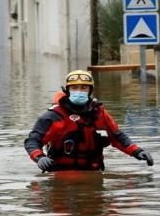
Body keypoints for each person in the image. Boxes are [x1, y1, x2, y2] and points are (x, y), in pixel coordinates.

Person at [24, 70, 153, 172]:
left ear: (90, 90)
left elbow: (117, 137)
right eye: (74, 88)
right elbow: (33, 140)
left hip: (92, 171)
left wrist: (138, 151)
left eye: (83, 88)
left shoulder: (99, 114)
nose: (79, 91)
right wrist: (39, 157)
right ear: (67, 90)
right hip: (61, 172)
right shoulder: (53, 116)